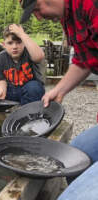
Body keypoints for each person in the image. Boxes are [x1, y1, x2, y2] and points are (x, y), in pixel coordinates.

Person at [18, 0, 98, 199]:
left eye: (37, 9)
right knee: (75, 156)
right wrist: (59, 90)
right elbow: (83, 60)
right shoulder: (67, 17)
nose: (38, 17)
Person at [0, 24, 45, 105]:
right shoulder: (1, 57)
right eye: (10, 43)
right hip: (10, 91)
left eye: (19, 42)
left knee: (34, 87)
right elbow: (0, 79)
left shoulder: (30, 53)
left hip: (28, 91)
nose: (15, 46)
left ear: (24, 43)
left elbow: (39, 56)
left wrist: (22, 34)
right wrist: (2, 90)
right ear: (4, 44)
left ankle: (25, 113)